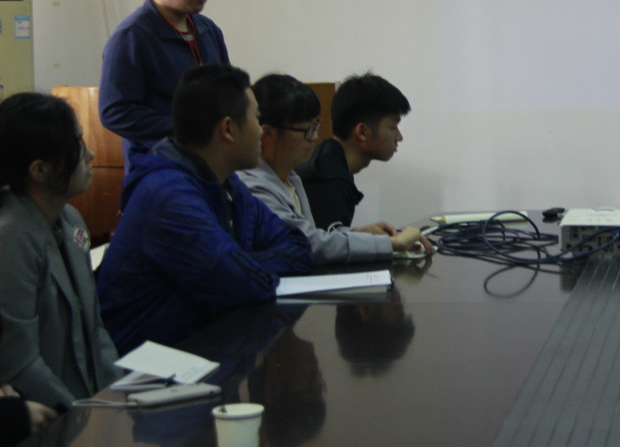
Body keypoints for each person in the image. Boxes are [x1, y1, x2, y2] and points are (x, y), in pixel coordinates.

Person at [97, 65, 313, 354]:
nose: (262, 131)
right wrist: (240, 271)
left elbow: (299, 246)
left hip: (205, 353)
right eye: (256, 119)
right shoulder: (168, 195)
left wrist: (242, 264)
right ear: (228, 129)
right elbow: (241, 284)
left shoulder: (229, 185)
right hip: (146, 369)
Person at [0, 94, 120, 410]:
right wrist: (81, 416)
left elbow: (94, 330)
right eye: (77, 146)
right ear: (40, 170)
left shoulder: (70, 219)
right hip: (49, 420)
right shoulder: (10, 237)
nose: (91, 154)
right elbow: (19, 363)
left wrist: (118, 397)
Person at [237, 74, 431, 263]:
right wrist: (390, 244)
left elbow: (313, 234)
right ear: (268, 134)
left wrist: (358, 234)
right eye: (307, 131)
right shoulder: (253, 187)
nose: (315, 137)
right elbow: (306, 243)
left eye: (316, 127)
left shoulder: (291, 178)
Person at [99, 0, 230, 160]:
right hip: (161, 166)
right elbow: (115, 112)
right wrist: (189, 131)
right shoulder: (131, 37)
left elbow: (228, 91)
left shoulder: (208, 30)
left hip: (212, 162)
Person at [296, 73, 410, 231]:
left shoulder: (329, 162)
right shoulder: (329, 181)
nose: (399, 137)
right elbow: (325, 245)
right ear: (362, 132)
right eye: (393, 127)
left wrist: (360, 234)